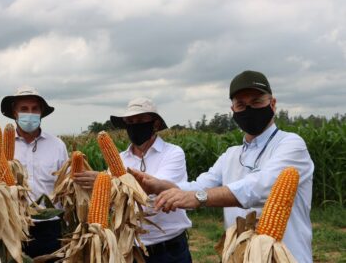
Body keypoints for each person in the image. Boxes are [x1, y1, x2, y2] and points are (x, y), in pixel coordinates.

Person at [130, 71, 314, 263]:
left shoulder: (291, 144)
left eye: (257, 101)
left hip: (286, 256)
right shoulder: (231, 155)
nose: (249, 109)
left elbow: (260, 187)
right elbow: (198, 187)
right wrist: (160, 186)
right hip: (241, 256)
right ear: (233, 110)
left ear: (272, 104)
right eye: (241, 104)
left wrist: (200, 197)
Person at [111, 97, 193, 263]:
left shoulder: (173, 153)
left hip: (169, 249)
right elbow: (113, 200)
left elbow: (155, 193)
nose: (134, 125)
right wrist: (99, 184)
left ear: (155, 124)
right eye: (130, 121)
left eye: (140, 120)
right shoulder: (119, 159)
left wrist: (113, 185)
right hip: (132, 249)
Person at [1, 85, 68, 258]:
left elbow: (66, 187)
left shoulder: (57, 145)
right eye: (24, 109)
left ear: (41, 112)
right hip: (13, 225)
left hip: (50, 227)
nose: (29, 113)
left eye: (34, 109)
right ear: (14, 113)